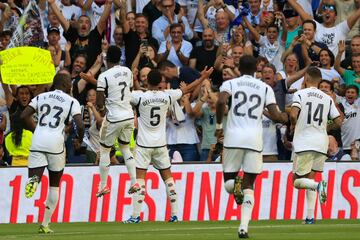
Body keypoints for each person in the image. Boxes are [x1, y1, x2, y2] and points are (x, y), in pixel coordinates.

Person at [124, 68, 212, 223]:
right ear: (160, 83)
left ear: (147, 81)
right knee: (168, 178)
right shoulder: (167, 95)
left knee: (140, 180)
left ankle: (136, 216)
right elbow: (188, 88)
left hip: (144, 145)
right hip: (161, 144)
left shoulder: (139, 97)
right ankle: (175, 214)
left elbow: (120, 95)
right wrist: (203, 76)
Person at [215, 55, 288, 238]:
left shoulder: (230, 84)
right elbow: (276, 115)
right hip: (254, 140)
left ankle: (234, 184)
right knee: (249, 185)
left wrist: (218, 125)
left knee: (228, 184)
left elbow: (221, 101)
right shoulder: (265, 88)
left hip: (233, 138)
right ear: (257, 68)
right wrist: (285, 117)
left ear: (239, 67)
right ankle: (243, 227)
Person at [20, 73, 84, 233]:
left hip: (38, 139)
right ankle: (45, 224)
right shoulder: (72, 101)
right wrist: (79, 139)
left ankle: (34, 180)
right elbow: (80, 125)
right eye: (69, 83)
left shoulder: (41, 97)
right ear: (66, 85)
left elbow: (23, 115)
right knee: (54, 185)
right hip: (56, 142)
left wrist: (35, 129)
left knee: (35, 174)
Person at [289, 67, 342, 225]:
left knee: (297, 181)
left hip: (304, 142)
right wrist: (325, 127)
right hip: (321, 143)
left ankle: (319, 186)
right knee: (310, 178)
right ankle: (310, 217)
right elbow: (339, 121)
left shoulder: (300, 94)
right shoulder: (327, 98)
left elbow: (293, 114)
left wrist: (293, 126)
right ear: (319, 80)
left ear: (305, 78)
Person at [96, 45, 139, 197]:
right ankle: (134, 181)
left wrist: (102, 108)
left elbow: (99, 103)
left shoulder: (104, 76)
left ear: (107, 60)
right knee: (126, 148)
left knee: (104, 150)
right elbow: (130, 91)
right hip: (128, 115)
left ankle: (103, 185)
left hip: (114, 117)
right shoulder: (127, 71)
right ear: (120, 58)